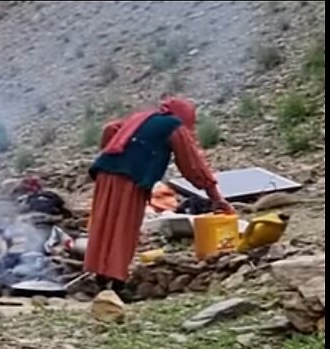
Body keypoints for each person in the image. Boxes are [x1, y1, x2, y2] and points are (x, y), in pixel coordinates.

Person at [86, 95, 233, 288]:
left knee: (103, 223)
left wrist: (110, 151)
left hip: (105, 172)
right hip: (130, 177)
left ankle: (99, 275)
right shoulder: (173, 125)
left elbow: (110, 128)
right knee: (124, 225)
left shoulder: (143, 118)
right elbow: (192, 164)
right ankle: (116, 280)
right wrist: (215, 197)